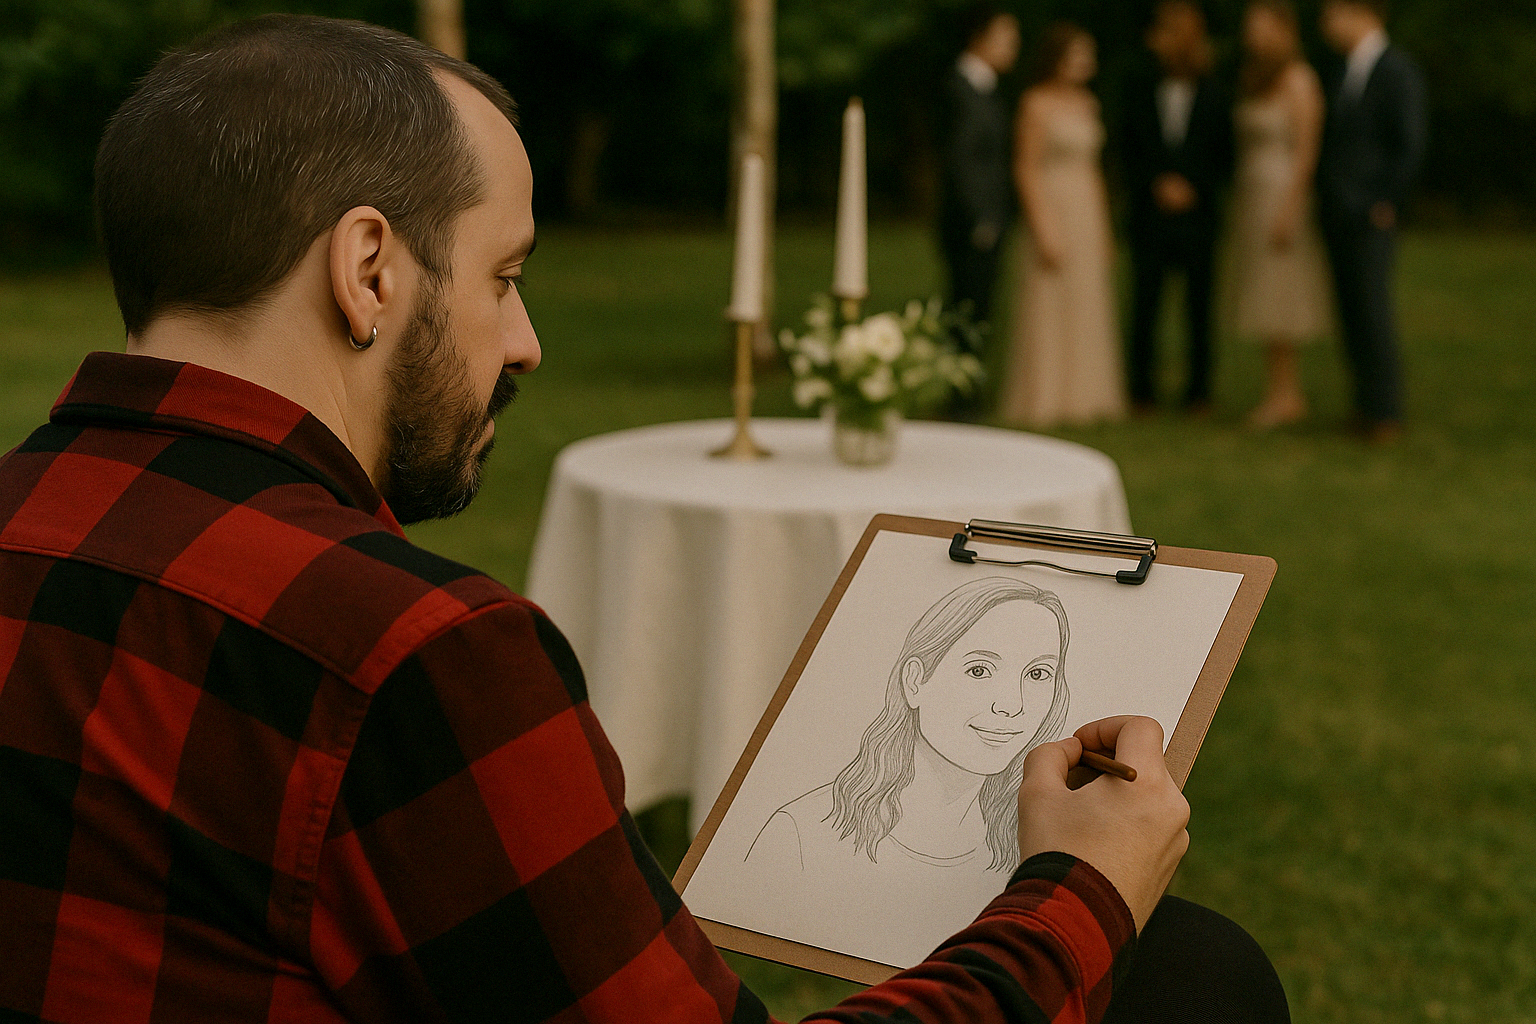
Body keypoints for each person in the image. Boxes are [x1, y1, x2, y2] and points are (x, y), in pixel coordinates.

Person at [0, 15, 1288, 1023]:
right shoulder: (411, 654)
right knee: (1193, 976)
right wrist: (1081, 888)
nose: (525, 340)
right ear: (369, 268)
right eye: (504, 276)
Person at [749, 578, 1071, 878]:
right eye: (979, 670)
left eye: (1038, 674)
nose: (1011, 705)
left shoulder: (1033, 847)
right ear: (915, 681)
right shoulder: (800, 833)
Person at [999, 23, 1126, 426]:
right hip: (1053, 204)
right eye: (1077, 54)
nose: (1085, 62)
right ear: (1056, 58)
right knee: (1049, 301)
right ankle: (1046, 396)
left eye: (1088, 55)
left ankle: (1086, 397)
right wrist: (1043, 228)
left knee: (1087, 300)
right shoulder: (1035, 104)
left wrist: (1104, 230)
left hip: (1085, 209)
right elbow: (1025, 167)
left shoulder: (1088, 103)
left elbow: (1094, 170)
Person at [1317, 0, 1426, 443]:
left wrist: (1386, 200)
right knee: (1349, 309)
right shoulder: (1342, 71)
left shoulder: (1398, 71)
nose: (1326, 24)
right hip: (1338, 211)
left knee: (1372, 307)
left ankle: (1385, 410)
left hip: (1372, 212)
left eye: (1332, 13)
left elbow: (1410, 143)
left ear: (1360, 12)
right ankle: (1363, 404)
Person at [1121, 0, 1233, 415]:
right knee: (1145, 303)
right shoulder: (1137, 86)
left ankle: (1199, 391)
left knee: (1199, 307)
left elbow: (1225, 155)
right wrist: (1156, 183)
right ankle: (1140, 389)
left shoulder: (1215, 92)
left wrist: (1193, 187)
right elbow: (1128, 148)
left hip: (1198, 217)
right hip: (1149, 213)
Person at [1227, 0, 1333, 428]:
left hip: (1281, 193)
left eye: (1259, 25)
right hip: (1252, 194)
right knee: (1262, 294)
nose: (1251, 34)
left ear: (1282, 28)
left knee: (1281, 293)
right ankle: (1278, 390)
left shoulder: (1299, 80)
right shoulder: (1254, 77)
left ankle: (1287, 393)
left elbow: (1307, 152)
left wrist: (1291, 209)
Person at [938, 3, 1021, 340]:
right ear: (979, 38)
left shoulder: (987, 88)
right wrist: (981, 217)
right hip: (971, 224)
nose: (1013, 46)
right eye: (1006, 38)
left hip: (987, 219)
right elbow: (962, 158)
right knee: (967, 312)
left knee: (980, 311)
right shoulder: (958, 88)